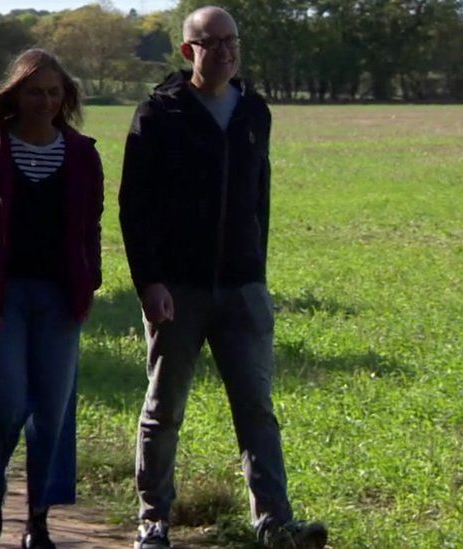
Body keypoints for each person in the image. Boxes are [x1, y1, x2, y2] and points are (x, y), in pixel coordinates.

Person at [119, 7, 328, 549]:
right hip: (178, 291)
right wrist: (150, 283)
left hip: (242, 288)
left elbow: (260, 197)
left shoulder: (254, 111)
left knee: (257, 410)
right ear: (188, 51)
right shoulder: (157, 115)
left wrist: (255, 274)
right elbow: (133, 209)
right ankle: (153, 520)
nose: (227, 51)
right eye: (213, 42)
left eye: (233, 40)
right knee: (163, 410)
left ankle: (275, 524)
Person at [0, 49, 103, 549]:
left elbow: (91, 226)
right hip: (1, 298)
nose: (45, 101)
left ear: (66, 97)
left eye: (54, 92)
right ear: (14, 95)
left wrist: (89, 278)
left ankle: (38, 520)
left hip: (60, 300)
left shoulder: (81, 154)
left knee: (51, 412)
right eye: (35, 91)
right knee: (4, 398)